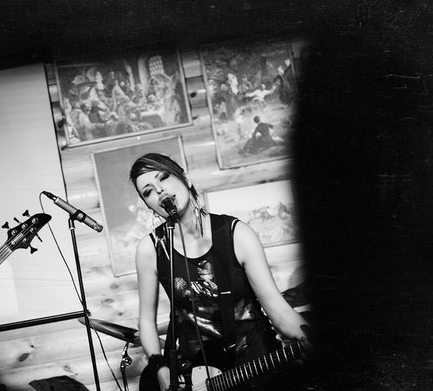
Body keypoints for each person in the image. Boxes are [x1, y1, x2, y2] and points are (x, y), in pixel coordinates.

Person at [130, 153, 311, 391]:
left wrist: (308, 337)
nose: (160, 190)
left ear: (186, 179)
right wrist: (160, 368)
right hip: (198, 375)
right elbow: (146, 320)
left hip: (256, 364)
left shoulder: (236, 234)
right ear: (149, 205)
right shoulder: (151, 249)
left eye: (164, 177)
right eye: (148, 191)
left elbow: (278, 309)